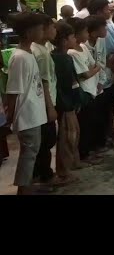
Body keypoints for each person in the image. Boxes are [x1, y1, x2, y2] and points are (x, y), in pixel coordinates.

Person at [5, 12, 47, 195]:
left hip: (34, 112)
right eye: (40, 29)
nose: (43, 31)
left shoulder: (30, 52)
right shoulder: (20, 57)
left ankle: (27, 184)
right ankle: (24, 189)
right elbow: (13, 91)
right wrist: (10, 117)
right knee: (29, 153)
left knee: (32, 151)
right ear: (29, 33)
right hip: (26, 114)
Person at [30, 14, 60, 188]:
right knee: (45, 141)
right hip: (45, 102)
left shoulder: (44, 47)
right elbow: (44, 82)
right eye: (52, 27)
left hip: (47, 100)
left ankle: (41, 174)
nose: (54, 30)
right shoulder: (40, 53)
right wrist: (50, 107)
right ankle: (44, 175)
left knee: (46, 141)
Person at [67, 17, 101, 164]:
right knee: (84, 124)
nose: (87, 34)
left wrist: (95, 70)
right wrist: (96, 69)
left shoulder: (84, 47)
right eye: (85, 31)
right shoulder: (72, 53)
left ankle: (89, 150)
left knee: (91, 123)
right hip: (84, 92)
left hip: (92, 89)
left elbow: (94, 64)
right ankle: (83, 154)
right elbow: (85, 74)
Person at [51, 21, 81, 183]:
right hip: (66, 103)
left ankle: (68, 166)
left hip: (67, 102)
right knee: (67, 137)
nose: (74, 39)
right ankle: (63, 171)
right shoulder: (62, 59)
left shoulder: (61, 57)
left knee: (71, 135)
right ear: (64, 41)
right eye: (72, 37)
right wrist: (72, 102)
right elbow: (68, 84)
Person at [88, 0, 114, 141]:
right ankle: (102, 136)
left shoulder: (108, 25)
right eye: (107, 8)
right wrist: (111, 63)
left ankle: (110, 130)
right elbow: (101, 59)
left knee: (110, 105)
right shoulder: (95, 31)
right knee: (101, 109)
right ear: (99, 11)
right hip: (103, 73)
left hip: (110, 71)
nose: (110, 10)